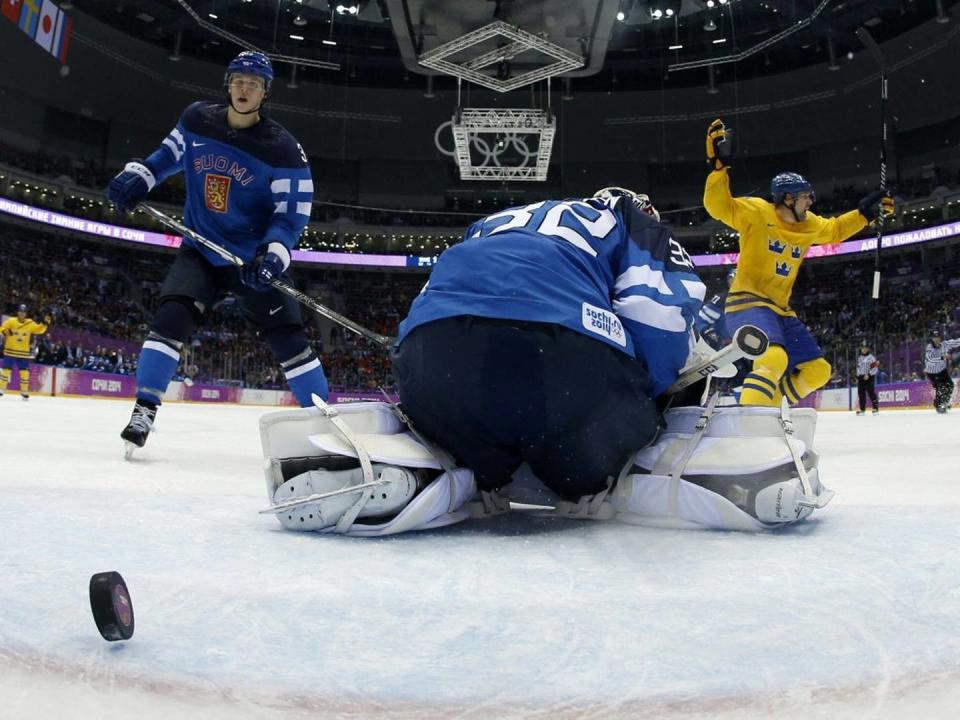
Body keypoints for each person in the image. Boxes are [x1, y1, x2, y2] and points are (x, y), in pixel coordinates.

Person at [256, 189, 834, 536]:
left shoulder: (501, 219)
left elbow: (430, 308)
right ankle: (718, 479)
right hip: (561, 374)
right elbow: (658, 317)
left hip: (434, 362)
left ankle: (423, 478)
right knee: (602, 471)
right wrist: (648, 400)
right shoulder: (630, 217)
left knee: (467, 451)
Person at [107, 50, 329, 457]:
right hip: (201, 251)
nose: (245, 89)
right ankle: (144, 410)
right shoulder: (196, 120)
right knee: (169, 319)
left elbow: (291, 215)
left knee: (288, 340)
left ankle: (323, 424)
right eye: (239, 81)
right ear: (228, 84)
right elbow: (165, 158)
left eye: (255, 84)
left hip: (251, 261)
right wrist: (139, 175)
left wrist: (273, 255)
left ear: (265, 93)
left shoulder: (283, 149)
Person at [703, 118, 895, 408]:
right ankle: (753, 419)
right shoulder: (756, 212)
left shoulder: (809, 225)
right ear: (788, 198)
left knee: (819, 371)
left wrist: (865, 214)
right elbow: (717, 206)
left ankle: (774, 408)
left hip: (781, 310)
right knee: (774, 358)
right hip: (748, 304)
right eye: (805, 196)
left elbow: (835, 231)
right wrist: (718, 168)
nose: (810, 201)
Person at [0, 303, 51, 400]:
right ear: (17, 312)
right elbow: (1, 328)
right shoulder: (11, 321)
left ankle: (24, 391)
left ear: (26, 313)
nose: (22, 313)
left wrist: (45, 324)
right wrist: (5, 332)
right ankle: (1, 389)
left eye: (24, 312)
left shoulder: (30, 323)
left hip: (23, 353)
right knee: (6, 371)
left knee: (25, 373)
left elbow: (39, 330)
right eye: (20, 311)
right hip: (10, 351)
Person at [924, 329, 960, 414]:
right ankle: (939, 406)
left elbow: (956, 342)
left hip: (942, 370)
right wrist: (942, 357)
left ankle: (944, 402)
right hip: (931, 372)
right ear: (932, 338)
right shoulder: (929, 347)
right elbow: (930, 359)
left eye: (938, 337)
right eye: (934, 337)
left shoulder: (945, 344)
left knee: (950, 385)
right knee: (940, 387)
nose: (937, 339)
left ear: (941, 337)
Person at [855, 342, 880, 415]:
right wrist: (857, 376)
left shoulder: (871, 358)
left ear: (868, 349)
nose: (863, 349)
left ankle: (875, 409)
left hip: (869, 377)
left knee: (871, 392)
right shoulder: (859, 358)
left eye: (865, 348)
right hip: (861, 378)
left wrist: (868, 375)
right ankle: (862, 410)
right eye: (862, 348)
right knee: (861, 394)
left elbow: (875, 369)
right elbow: (858, 368)